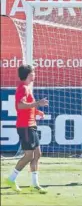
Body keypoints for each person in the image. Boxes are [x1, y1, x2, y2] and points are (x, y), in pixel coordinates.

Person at [6, 64, 49, 193]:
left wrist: (37, 112)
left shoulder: (27, 88)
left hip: (31, 125)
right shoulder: (22, 88)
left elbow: (28, 107)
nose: (34, 74)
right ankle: (11, 179)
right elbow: (20, 105)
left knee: (37, 154)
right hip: (25, 126)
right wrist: (37, 103)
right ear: (28, 75)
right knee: (29, 155)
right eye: (33, 73)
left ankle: (34, 185)